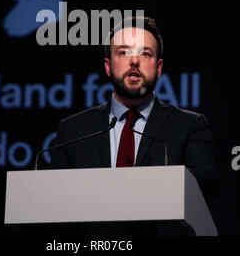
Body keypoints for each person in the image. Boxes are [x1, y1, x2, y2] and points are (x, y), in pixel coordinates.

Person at [50, 16, 219, 198]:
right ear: (108, 66)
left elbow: (206, 182)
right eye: (124, 52)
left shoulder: (189, 126)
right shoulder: (73, 131)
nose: (134, 61)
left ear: (159, 67)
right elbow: (51, 195)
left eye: (145, 54)